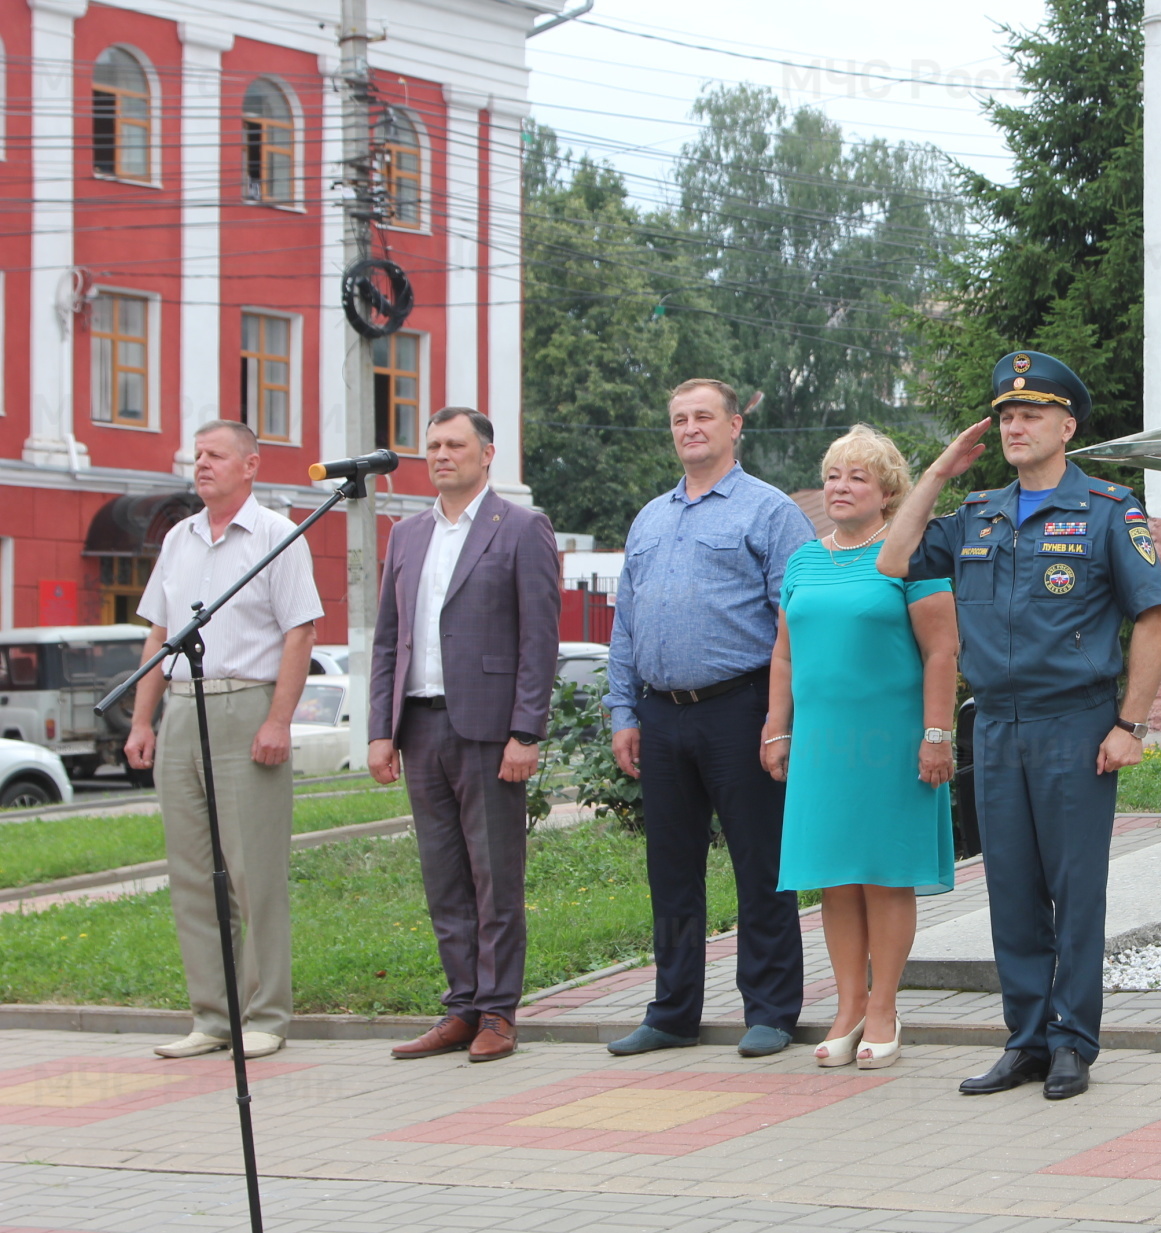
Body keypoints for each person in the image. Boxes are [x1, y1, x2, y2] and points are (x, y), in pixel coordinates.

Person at [878, 352, 1161, 1100]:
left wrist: (1131, 723)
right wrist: (939, 472)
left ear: (1066, 426)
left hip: (1074, 724)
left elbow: (1154, 614)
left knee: (1075, 890)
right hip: (998, 728)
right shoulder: (975, 514)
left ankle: (1073, 1039)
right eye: (1006, 415)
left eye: (1031, 413)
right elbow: (893, 556)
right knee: (1009, 888)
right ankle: (1026, 1038)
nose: (1014, 424)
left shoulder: (1108, 509)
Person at [605, 379, 816, 1058]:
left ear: (734, 428)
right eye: (678, 419)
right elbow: (625, 624)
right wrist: (621, 710)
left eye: (703, 416)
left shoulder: (771, 512)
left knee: (760, 863)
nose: (690, 427)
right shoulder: (649, 519)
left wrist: (781, 717)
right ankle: (672, 1011)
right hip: (661, 715)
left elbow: (796, 619)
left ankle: (772, 1008)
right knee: (670, 868)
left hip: (742, 707)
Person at [367, 407, 561, 1064]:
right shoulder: (407, 533)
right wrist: (378, 731)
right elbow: (388, 638)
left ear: (487, 454)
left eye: (455, 444)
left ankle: (498, 1012)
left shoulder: (522, 527)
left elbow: (539, 639)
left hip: (488, 726)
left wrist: (525, 731)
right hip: (419, 725)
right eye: (433, 445)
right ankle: (461, 1005)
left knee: (494, 875)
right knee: (443, 876)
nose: (441, 454)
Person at [761, 426, 958, 1071]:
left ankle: (883, 1007)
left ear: (888, 492)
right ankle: (847, 1008)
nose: (839, 487)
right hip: (822, 745)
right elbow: (785, 654)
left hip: (890, 743)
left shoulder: (911, 557)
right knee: (834, 878)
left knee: (882, 873)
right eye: (833, 475)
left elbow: (941, 651)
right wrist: (775, 726)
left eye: (857, 478)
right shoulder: (802, 560)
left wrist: (937, 734)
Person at [125, 420, 322, 1060]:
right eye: (197, 456)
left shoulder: (276, 536)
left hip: (246, 706)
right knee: (190, 873)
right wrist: (141, 721)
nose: (201, 465)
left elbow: (301, 633)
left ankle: (265, 1013)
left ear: (251, 466)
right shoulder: (179, 539)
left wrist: (278, 721)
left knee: (252, 870)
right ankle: (212, 1016)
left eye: (215, 455)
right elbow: (158, 635)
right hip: (181, 709)